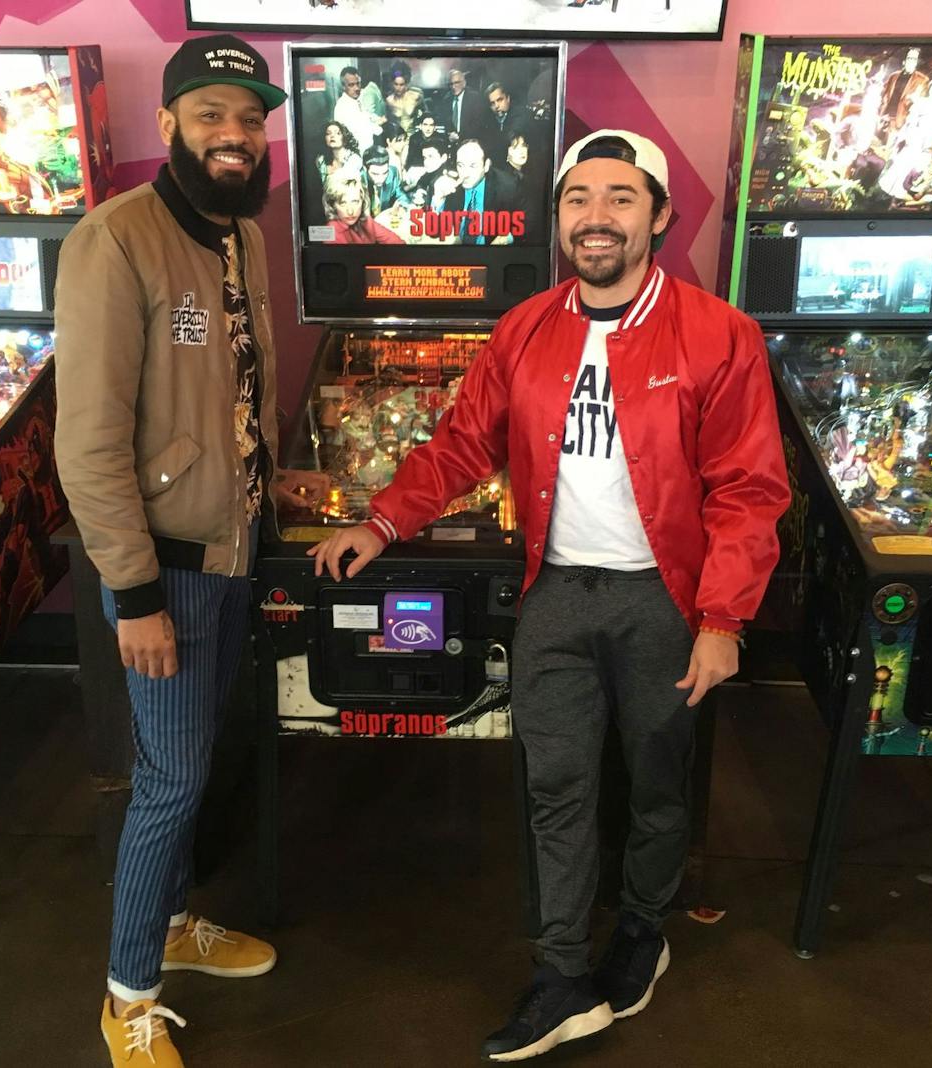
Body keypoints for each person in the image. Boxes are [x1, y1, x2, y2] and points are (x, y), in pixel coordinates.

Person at [309, 130, 789, 1061]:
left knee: (655, 784)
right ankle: (562, 978)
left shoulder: (721, 335)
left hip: (667, 602)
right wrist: (380, 521)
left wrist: (724, 618)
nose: (596, 216)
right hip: (558, 595)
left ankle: (643, 938)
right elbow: (459, 446)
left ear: (658, 216)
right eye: (578, 198)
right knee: (556, 786)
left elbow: (749, 488)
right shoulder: (526, 328)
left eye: (619, 197)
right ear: (558, 217)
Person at [54, 34, 327, 1068]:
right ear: (167, 123)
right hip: (161, 567)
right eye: (212, 114)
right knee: (169, 778)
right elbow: (85, 446)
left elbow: (228, 395)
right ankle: (126, 997)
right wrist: (133, 597)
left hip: (230, 543)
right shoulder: (112, 242)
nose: (234, 135)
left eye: (250, 120)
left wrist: (267, 478)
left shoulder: (239, 234)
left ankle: (171, 927)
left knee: (197, 755)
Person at [429, 138, 519, 245]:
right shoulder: (451, 184)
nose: (465, 173)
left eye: (473, 165)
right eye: (460, 165)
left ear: (486, 166)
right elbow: (434, 232)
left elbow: (527, 225)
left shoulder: (506, 186)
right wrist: (439, 198)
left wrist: (505, 238)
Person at [323, 169, 404, 244]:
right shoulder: (331, 235)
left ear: (363, 200)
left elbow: (396, 241)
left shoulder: (365, 220)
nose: (350, 211)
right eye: (343, 203)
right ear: (333, 205)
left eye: (355, 202)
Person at [334, 64, 382, 152]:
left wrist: (378, 121)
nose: (356, 88)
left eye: (358, 83)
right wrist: (379, 126)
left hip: (368, 151)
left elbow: (367, 118)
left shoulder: (359, 99)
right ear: (343, 87)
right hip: (355, 154)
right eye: (351, 85)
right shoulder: (342, 107)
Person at [445, 67, 487, 142]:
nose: (453, 86)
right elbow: (445, 121)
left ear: (464, 83)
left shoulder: (475, 98)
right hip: (451, 143)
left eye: (457, 82)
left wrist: (460, 137)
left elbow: (478, 124)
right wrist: (449, 135)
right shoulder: (447, 100)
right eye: (451, 84)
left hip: (470, 143)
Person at [384, 64, 424, 134]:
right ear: (392, 84)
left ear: (406, 84)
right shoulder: (389, 100)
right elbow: (388, 122)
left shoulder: (416, 96)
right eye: (396, 84)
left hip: (414, 137)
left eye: (401, 84)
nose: (398, 88)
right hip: (397, 138)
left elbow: (425, 115)